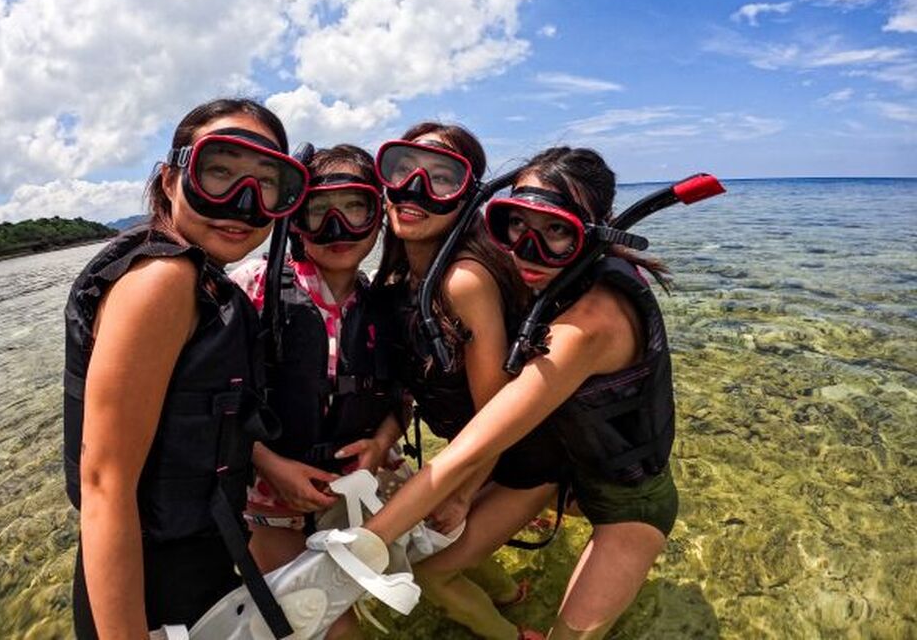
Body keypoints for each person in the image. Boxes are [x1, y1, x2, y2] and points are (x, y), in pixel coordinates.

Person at [363, 146, 681, 640]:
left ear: (595, 230)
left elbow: (474, 445)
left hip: (629, 505)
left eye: (556, 231)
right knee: (436, 569)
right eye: (517, 225)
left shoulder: (588, 326)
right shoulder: (559, 281)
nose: (528, 252)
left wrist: (363, 544)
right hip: (569, 474)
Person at [62, 98, 309, 638]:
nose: (244, 202)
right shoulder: (163, 281)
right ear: (171, 180)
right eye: (218, 171)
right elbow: (104, 483)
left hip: (199, 551)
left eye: (268, 183)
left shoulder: (196, 281)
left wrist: (269, 463)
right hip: (154, 579)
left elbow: (189, 419)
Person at [374, 124, 560, 640]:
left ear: (468, 196)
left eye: (440, 180)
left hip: (525, 459)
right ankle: (508, 594)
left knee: (432, 575)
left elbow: (499, 413)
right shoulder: (404, 280)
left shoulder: (463, 280)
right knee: (445, 540)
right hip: (482, 454)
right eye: (402, 171)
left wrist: (465, 492)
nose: (414, 191)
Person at [229, 144, 404, 640]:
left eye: (355, 209)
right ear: (295, 219)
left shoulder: (382, 304)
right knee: (325, 624)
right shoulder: (254, 288)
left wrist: (381, 444)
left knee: (438, 556)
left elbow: (400, 398)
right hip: (268, 503)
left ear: (378, 216)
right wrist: (268, 464)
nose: (338, 228)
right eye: (318, 211)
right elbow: (206, 401)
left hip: (358, 485)